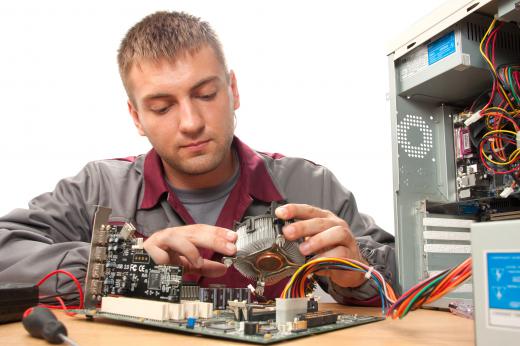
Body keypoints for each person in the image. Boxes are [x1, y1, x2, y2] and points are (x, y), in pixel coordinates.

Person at [0, 11, 396, 305]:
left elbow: (413, 275)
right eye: (161, 107)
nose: (190, 123)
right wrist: (122, 263)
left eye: (206, 95)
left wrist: (358, 270)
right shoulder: (97, 188)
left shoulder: (309, 185)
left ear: (233, 90)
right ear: (136, 117)